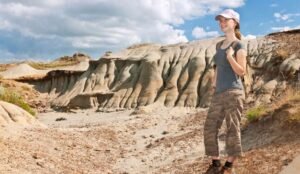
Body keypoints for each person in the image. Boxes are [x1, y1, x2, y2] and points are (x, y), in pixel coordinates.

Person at [203, 9, 247, 174]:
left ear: (234, 22)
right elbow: (218, 68)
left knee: (232, 129)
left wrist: (230, 57)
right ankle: (215, 163)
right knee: (210, 127)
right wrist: (214, 83)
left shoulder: (238, 45)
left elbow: (242, 71)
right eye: (220, 21)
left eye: (225, 20)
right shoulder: (219, 45)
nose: (222, 23)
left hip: (234, 93)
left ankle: (228, 166)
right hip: (219, 93)